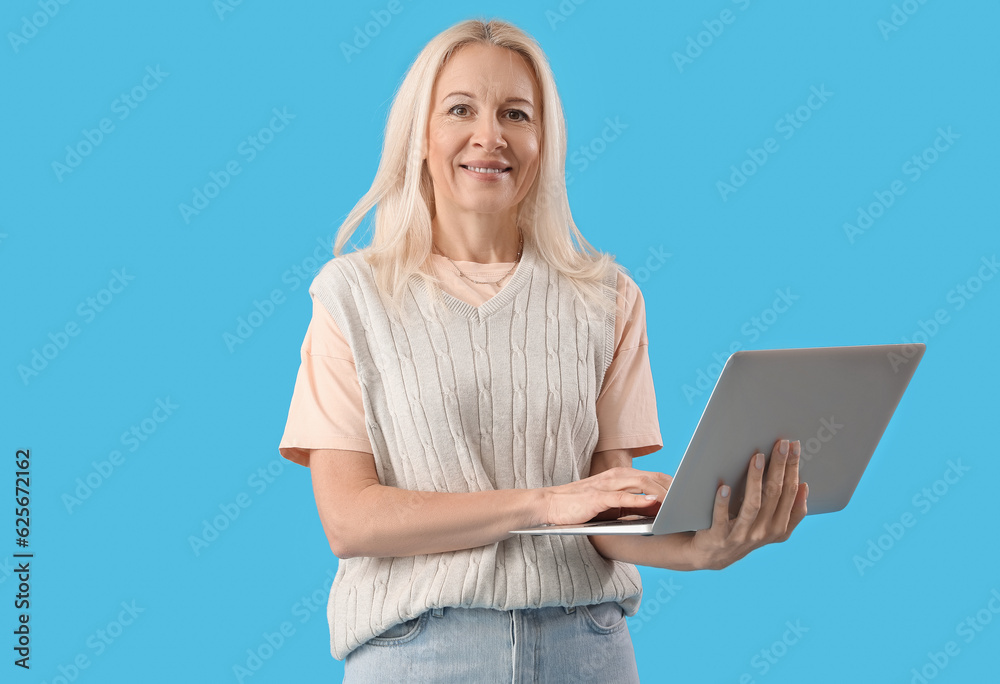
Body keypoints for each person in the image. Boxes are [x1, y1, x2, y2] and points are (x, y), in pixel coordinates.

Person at [278, 18, 808, 683]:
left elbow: (603, 516)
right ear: (419, 136)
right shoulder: (352, 297)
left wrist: (702, 547)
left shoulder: (607, 297)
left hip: (586, 651)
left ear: (544, 140)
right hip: (420, 656)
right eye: (461, 110)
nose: (489, 136)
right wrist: (542, 504)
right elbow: (351, 520)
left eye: (516, 114)